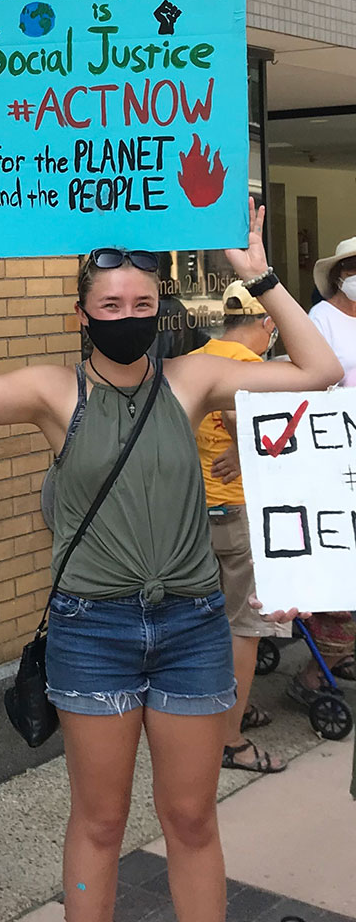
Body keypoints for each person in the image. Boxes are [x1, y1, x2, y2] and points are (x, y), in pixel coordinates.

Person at [0, 202, 340, 922]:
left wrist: (259, 272)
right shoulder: (56, 394)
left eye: (143, 303)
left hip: (192, 627)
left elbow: (322, 369)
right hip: (93, 630)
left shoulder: (193, 378)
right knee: (102, 819)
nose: (127, 315)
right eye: (110, 304)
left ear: (162, 309)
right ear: (83, 314)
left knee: (189, 817)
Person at [188, 281, 296, 774]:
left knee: (207, 623)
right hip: (242, 512)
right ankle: (230, 740)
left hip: (199, 512)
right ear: (268, 323)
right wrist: (245, 445)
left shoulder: (201, 358)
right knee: (244, 628)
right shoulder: (255, 372)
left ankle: (227, 711)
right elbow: (267, 440)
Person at [292, 237, 356, 696]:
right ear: (339, 275)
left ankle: (343, 654)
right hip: (334, 451)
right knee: (338, 558)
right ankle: (317, 671)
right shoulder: (321, 319)